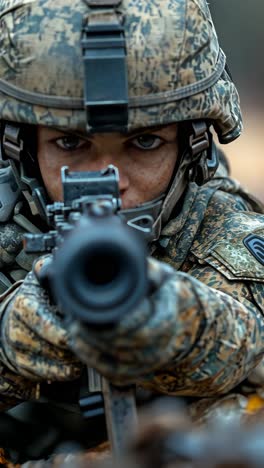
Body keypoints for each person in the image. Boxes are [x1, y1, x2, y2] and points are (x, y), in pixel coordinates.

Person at [0, 0, 263, 461]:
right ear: (21, 148)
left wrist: (189, 326)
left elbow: (254, 332)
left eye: (144, 142)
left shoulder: (215, 222)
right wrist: (9, 339)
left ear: (192, 144)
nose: (110, 179)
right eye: (71, 143)